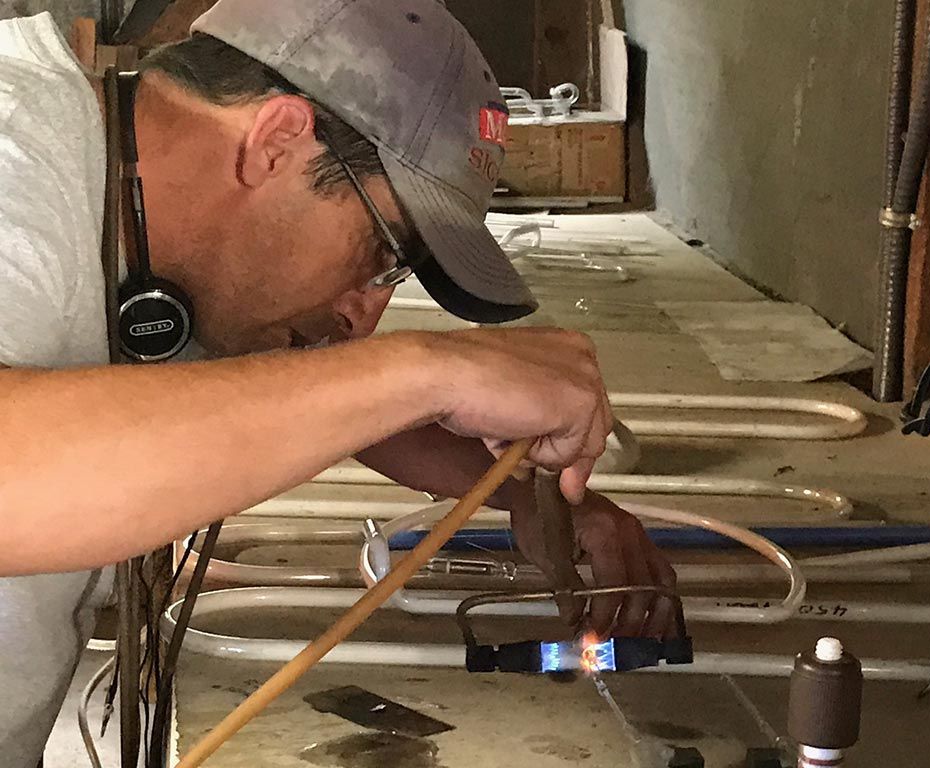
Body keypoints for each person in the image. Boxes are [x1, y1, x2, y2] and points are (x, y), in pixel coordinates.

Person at [0, 1, 676, 764]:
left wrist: (525, 495)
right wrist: (427, 367)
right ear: (278, 140)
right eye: (384, 253)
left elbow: (270, 394)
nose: (365, 315)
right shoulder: (15, 151)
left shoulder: (163, 245)